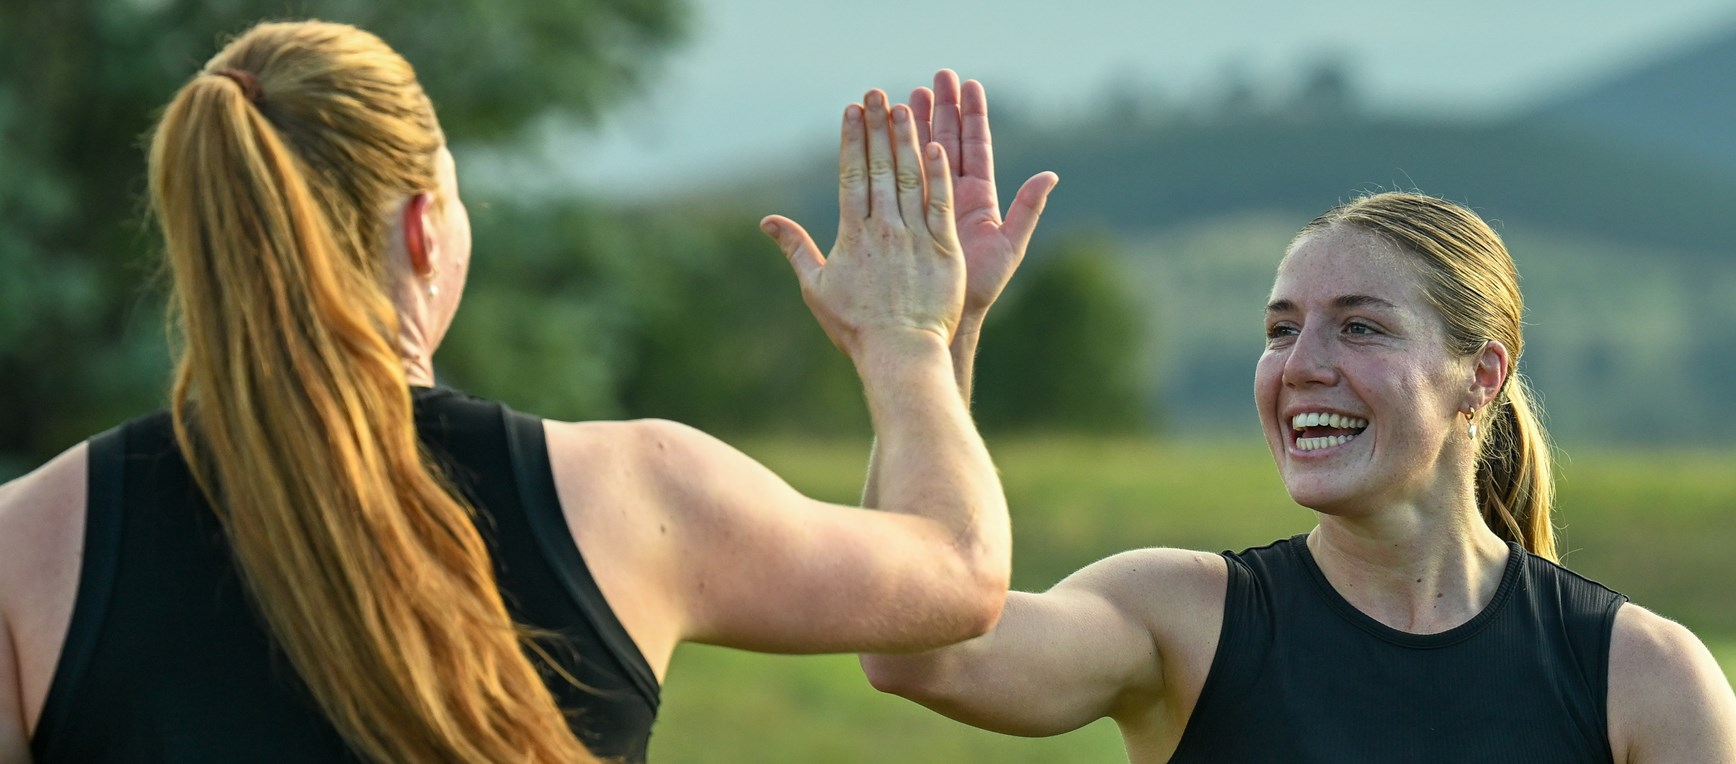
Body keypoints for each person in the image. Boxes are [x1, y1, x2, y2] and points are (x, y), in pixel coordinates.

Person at [0, 22, 1048, 763]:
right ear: (423, 228)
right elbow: (956, 572)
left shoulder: (27, 547)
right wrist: (909, 340)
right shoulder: (635, 492)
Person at [858, 73, 1736, 762]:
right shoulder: (1184, 620)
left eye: (1359, 326)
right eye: (1281, 330)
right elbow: (917, 650)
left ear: (1480, 378)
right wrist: (935, 335)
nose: (1302, 366)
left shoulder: (1646, 678)